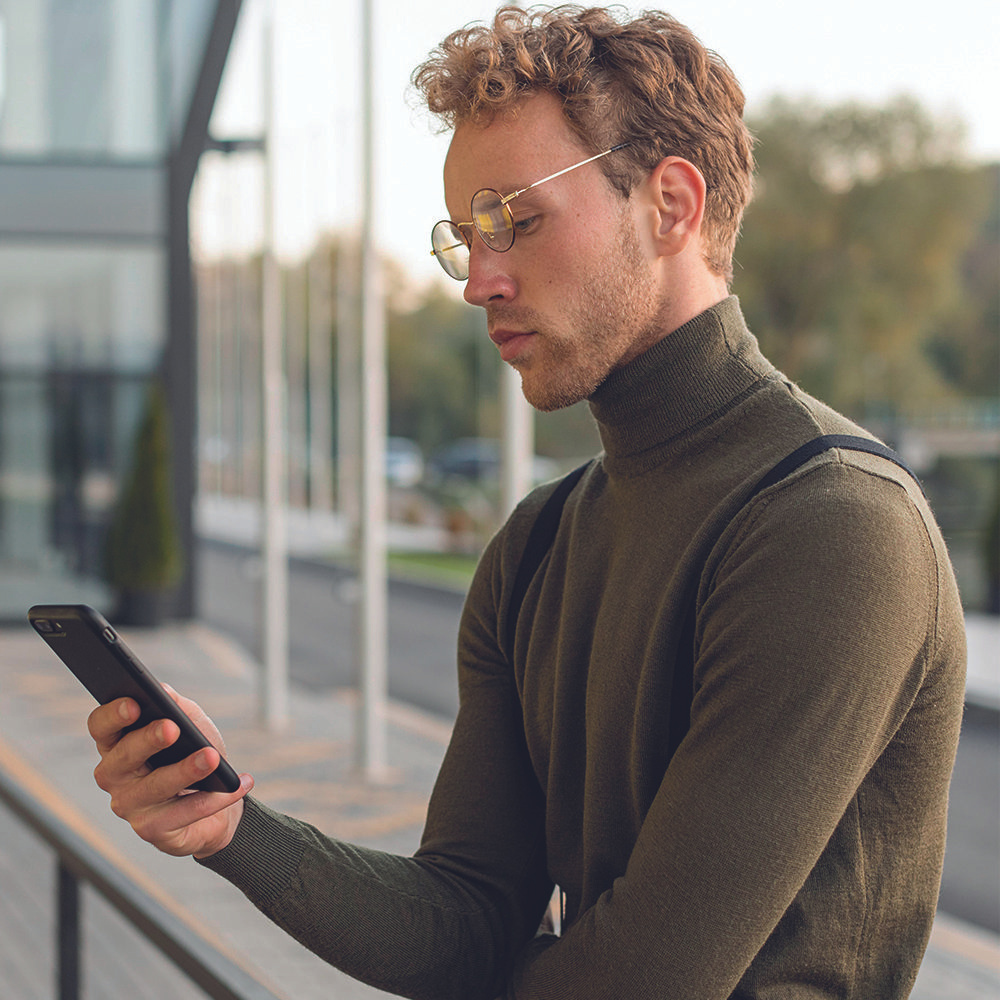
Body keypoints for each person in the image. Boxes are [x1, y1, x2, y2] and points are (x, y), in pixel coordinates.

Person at [88, 7, 966, 999]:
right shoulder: (539, 541)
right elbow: (462, 914)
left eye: (515, 219)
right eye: (465, 236)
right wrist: (232, 829)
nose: (479, 281)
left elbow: (640, 979)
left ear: (671, 205)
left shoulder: (832, 525)